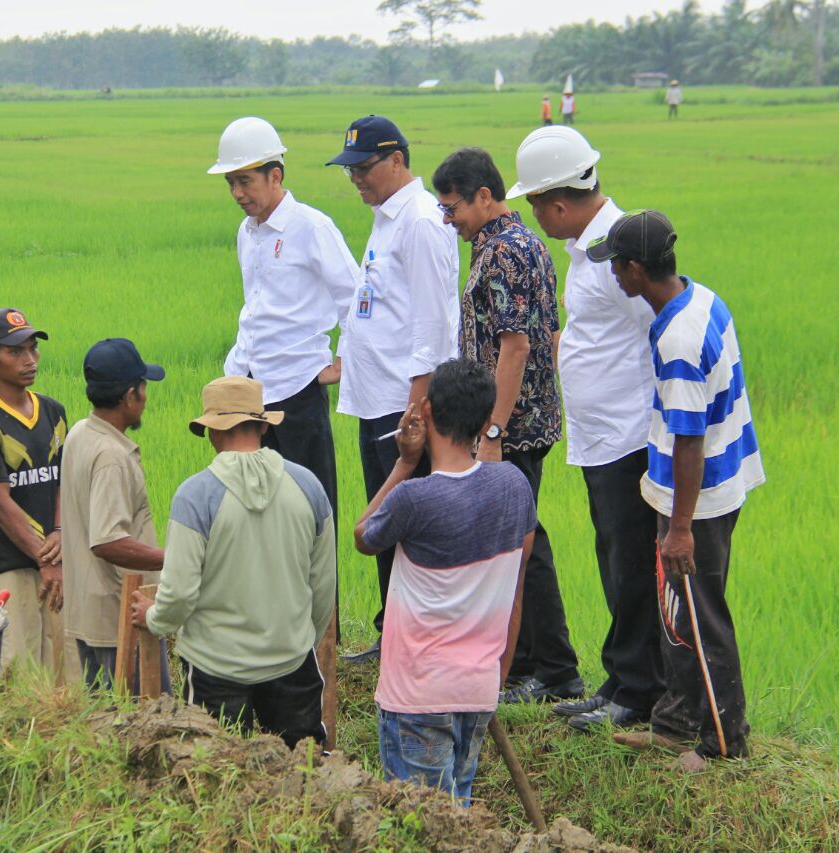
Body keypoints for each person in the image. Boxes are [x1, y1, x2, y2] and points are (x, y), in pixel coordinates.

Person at [586, 209, 763, 773]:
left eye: (616, 264)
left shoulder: (681, 340)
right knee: (682, 613)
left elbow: (688, 441)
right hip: (720, 480)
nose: (612, 273)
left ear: (635, 269)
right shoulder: (699, 297)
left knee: (695, 615)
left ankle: (721, 738)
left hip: (699, 499)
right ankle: (674, 724)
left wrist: (680, 528)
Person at [507, 126, 665, 725]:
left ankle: (638, 692)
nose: (535, 216)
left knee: (628, 562)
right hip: (602, 437)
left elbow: (659, 325)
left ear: (556, 202)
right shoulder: (589, 248)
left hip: (628, 437)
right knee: (614, 558)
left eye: (534, 204)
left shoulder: (618, 251)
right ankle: (622, 677)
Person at [433, 147, 584, 705]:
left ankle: (556, 671)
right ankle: (523, 663)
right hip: (524, 416)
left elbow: (516, 347)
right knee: (514, 540)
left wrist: (491, 432)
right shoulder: (516, 244)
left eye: (454, 209)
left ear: (484, 197)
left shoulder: (502, 254)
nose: (450, 221)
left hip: (513, 424)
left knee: (526, 543)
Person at [354, 359, 536, 804]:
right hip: (477, 689)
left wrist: (403, 462)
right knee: (460, 819)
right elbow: (518, 583)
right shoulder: (514, 485)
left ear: (427, 411)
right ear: (485, 418)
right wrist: (497, 674)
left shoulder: (415, 498)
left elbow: (363, 536)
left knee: (426, 826)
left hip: (418, 696)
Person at [130, 376, 336, 749]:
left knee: (215, 781)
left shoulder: (195, 497)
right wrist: (299, 639)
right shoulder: (308, 487)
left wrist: (152, 618)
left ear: (211, 432)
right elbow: (323, 587)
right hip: (291, 662)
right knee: (305, 780)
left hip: (215, 669)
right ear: (262, 424)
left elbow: (178, 594)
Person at [325, 114, 460, 664]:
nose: (355, 178)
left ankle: (419, 641)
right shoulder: (386, 217)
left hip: (403, 406)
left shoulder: (421, 221)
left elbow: (434, 324)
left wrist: (417, 408)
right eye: (349, 169)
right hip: (375, 399)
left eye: (364, 167)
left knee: (409, 526)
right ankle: (393, 634)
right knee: (386, 522)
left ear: (398, 160)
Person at [207, 116, 358, 546]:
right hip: (248, 390)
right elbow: (256, 306)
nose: (237, 193)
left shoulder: (311, 227)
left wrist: (344, 358)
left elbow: (354, 298)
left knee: (311, 511)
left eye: (245, 181)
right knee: (254, 512)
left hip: (297, 388)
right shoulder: (247, 231)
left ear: (276, 175)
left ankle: (319, 614)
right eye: (231, 182)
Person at [0, 307, 67, 676]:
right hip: (7, 567)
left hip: (53, 562)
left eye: (33, 348)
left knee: (64, 677)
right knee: (16, 675)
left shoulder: (52, 411)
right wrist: (44, 558)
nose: (29, 359)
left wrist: (60, 534)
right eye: (16, 351)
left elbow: (61, 482)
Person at [61, 338, 171, 693]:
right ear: (129, 396)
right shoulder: (111, 456)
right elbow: (107, 539)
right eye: (143, 388)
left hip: (88, 614)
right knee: (146, 725)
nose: (145, 397)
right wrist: (172, 559)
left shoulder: (80, 433)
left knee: (106, 728)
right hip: (118, 622)